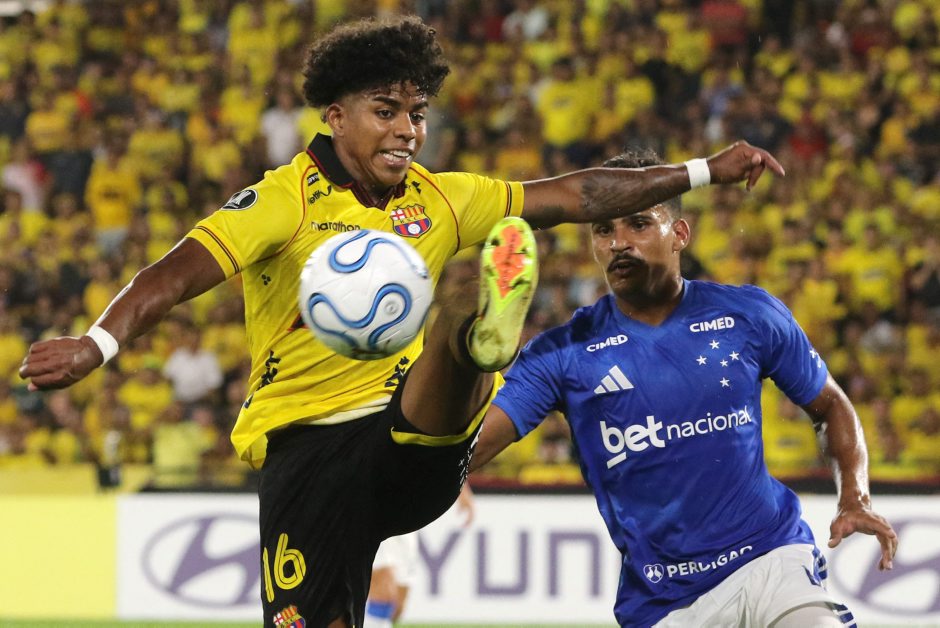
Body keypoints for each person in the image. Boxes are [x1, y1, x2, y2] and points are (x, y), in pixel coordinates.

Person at [19, 16, 784, 628]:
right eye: (386, 112)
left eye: (416, 114)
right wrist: (98, 342)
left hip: (408, 436)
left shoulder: (444, 197)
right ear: (335, 116)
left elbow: (576, 194)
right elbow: (175, 273)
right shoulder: (283, 199)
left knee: (456, 318)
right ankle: (471, 336)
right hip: (308, 456)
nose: (408, 131)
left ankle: (478, 335)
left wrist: (702, 170)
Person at [471, 148, 898, 628]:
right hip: (664, 603)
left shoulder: (749, 315)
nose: (618, 243)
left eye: (638, 223)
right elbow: (468, 450)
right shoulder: (562, 353)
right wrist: (469, 358)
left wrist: (855, 496)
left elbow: (830, 404)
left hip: (771, 559)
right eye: (603, 229)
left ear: (680, 234)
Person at [363, 483, 475, 628]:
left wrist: (462, 489)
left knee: (397, 606)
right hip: (372, 503)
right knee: (384, 593)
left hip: (407, 513)